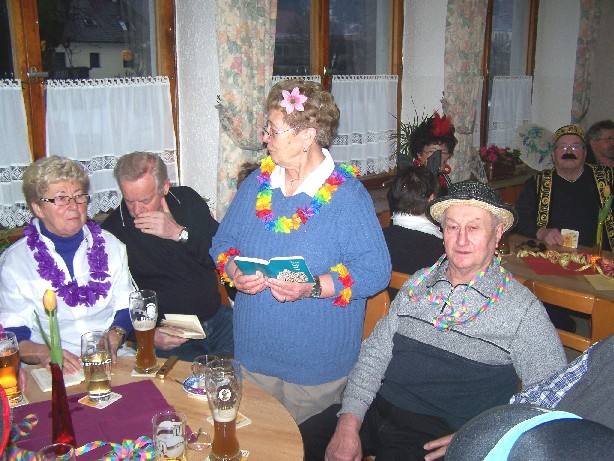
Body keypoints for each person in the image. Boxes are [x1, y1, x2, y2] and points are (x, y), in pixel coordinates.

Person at [210, 79, 391, 461]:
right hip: (254, 356)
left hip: (315, 367)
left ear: (308, 135)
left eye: (272, 129)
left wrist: (313, 286)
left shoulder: (347, 195)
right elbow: (222, 243)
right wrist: (234, 271)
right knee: (257, 449)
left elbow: (375, 270)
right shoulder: (258, 184)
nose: (264, 138)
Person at [325, 180, 566, 461]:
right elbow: (374, 355)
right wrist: (349, 420)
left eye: (473, 228)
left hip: (437, 435)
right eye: (452, 227)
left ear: (498, 232)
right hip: (377, 408)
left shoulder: (522, 309)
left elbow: (554, 395)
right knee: (298, 443)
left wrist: (482, 436)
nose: (461, 240)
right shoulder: (418, 284)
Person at [0, 156, 135, 373]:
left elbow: (126, 304)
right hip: (52, 369)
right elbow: (14, 333)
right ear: (38, 208)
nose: (74, 206)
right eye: (61, 199)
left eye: (79, 196)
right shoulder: (15, 263)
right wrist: (45, 353)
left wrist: (115, 334)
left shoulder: (112, 246)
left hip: (112, 359)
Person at [102, 152, 233, 361]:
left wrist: (179, 234)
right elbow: (113, 303)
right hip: (171, 337)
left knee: (249, 372)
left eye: (145, 200)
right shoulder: (113, 231)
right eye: (129, 200)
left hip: (218, 320)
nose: (137, 210)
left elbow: (222, 257)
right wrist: (147, 335)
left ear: (164, 187)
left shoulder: (187, 200)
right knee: (190, 381)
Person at [424, 332, 614, 460]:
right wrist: (490, 431)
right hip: (526, 441)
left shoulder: (523, 313)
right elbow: (545, 394)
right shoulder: (609, 349)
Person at [515, 124, 614, 251]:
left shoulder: (607, 177)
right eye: (563, 147)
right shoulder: (537, 183)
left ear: (585, 153)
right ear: (553, 154)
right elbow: (518, 218)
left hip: (600, 256)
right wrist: (541, 232)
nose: (569, 151)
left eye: (575, 146)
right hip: (553, 254)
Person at [383, 165, 442, 299]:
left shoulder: (377, 239)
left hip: (379, 310)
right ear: (431, 199)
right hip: (419, 310)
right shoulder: (441, 249)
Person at [410, 112, 458, 193]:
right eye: (432, 151)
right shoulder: (413, 181)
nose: (438, 156)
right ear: (419, 154)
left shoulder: (444, 179)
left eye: (443, 152)